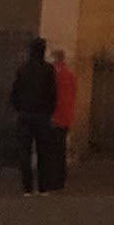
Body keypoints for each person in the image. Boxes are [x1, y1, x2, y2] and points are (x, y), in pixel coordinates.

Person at [12, 36, 60, 194]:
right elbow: (53, 94)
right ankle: (43, 187)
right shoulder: (48, 70)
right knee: (44, 152)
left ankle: (27, 187)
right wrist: (50, 111)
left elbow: (15, 92)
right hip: (43, 116)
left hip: (25, 115)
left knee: (24, 152)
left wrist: (18, 109)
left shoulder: (22, 69)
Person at [48, 49, 78, 189]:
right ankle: (60, 180)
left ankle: (52, 179)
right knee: (61, 149)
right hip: (66, 116)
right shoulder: (70, 75)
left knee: (51, 150)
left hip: (54, 116)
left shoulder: (52, 74)